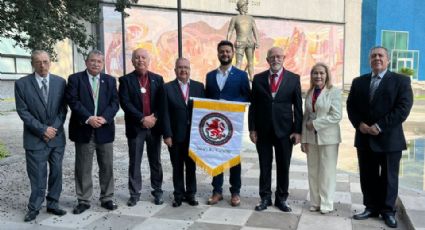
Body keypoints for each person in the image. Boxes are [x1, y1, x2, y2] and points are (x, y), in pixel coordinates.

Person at [347, 46, 413, 228]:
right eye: (373, 55)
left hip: (389, 139)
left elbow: (403, 108)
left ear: (388, 60)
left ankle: (388, 211)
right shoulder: (358, 82)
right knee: (367, 176)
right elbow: (351, 106)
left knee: (389, 178)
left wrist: (379, 126)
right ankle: (370, 207)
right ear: (369, 60)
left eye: (380, 55)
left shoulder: (401, 81)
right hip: (364, 137)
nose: (377, 58)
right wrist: (359, 124)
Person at [14, 50, 67, 222]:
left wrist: (53, 129)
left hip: (56, 138)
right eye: (38, 62)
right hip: (34, 138)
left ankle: (53, 203)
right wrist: (43, 130)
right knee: (37, 174)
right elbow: (23, 112)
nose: (42, 65)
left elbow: (62, 110)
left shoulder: (60, 82)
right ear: (32, 64)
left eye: (45, 61)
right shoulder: (22, 84)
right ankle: (34, 207)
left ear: (50, 62)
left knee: (56, 172)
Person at [248, 46, 302, 212]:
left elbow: (298, 107)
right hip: (263, 130)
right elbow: (253, 106)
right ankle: (265, 198)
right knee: (264, 166)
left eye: (279, 56)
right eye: (272, 57)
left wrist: (297, 130)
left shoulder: (293, 78)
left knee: (283, 166)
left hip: (285, 131)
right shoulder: (258, 78)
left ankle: (281, 198)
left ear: (283, 58)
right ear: (267, 60)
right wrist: (252, 129)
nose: (276, 59)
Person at [66, 50, 120, 214]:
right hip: (83, 129)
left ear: (103, 64)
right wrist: (89, 118)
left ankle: (107, 198)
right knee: (83, 167)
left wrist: (104, 118)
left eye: (99, 61)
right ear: (86, 62)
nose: (96, 64)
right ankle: (83, 200)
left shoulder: (110, 80)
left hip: (104, 129)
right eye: (93, 61)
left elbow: (115, 102)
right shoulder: (75, 79)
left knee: (107, 166)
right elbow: (73, 101)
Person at [205, 40, 250, 206]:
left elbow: (247, 96)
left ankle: (235, 192)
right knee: (216, 156)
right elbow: (206, 99)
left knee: (233, 158)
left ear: (232, 53)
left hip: (233, 124)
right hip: (215, 124)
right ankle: (217, 191)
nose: (225, 54)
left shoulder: (241, 75)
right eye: (222, 51)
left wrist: (228, 103)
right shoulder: (210, 76)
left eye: (228, 52)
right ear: (218, 54)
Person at [119, 48, 164, 207]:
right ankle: (134, 193)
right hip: (136, 127)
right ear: (132, 61)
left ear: (148, 60)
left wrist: (154, 118)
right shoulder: (125, 80)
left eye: (143, 57)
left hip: (154, 127)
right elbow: (125, 103)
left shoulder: (158, 79)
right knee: (135, 161)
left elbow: (161, 102)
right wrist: (141, 118)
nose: (140, 60)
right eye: (137, 58)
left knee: (155, 161)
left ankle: (157, 191)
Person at [161, 58, 205, 207]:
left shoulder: (199, 87)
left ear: (190, 70)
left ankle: (191, 194)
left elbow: (204, 112)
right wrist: (167, 134)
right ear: (175, 70)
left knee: (191, 166)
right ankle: (178, 195)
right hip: (175, 136)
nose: (183, 70)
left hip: (193, 136)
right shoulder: (167, 88)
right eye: (180, 67)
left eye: (186, 67)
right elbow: (164, 113)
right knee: (177, 167)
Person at [300, 63, 342, 214]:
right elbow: (306, 117)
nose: (318, 76)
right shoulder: (310, 92)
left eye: (321, 73)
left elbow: (337, 116)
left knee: (327, 171)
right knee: (313, 170)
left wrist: (316, 124)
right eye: (315, 73)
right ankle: (315, 202)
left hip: (329, 139)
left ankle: (326, 203)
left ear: (327, 75)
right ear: (311, 76)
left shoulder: (334, 92)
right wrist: (304, 139)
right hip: (311, 138)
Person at [226, 0, 259, 81]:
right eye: (245, 6)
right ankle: (237, 79)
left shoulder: (251, 18)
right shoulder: (235, 18)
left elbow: (255, 30)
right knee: (238, 62)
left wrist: (257, 41)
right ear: (241, 7)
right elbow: (230, 31)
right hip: (240, 42)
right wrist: (227, 42)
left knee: (250, 63)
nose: (247, 7)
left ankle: (252, 79)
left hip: (250, 42)